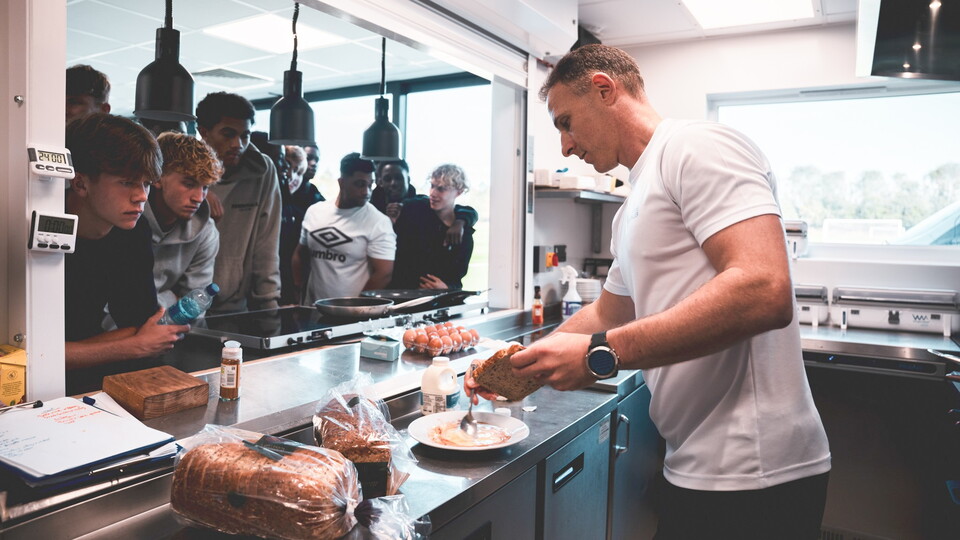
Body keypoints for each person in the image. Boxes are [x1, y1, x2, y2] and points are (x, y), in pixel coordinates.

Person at [467, 44, 831, 540]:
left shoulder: (697, 147)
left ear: (604, 88)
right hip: (695, 462)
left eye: (566, 121)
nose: (566, 147)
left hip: (755, 469)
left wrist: (599, 355)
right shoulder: (632, 204)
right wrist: (517, 369)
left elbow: (763, 288)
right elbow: (609, 311)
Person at [64, 113, 187, 369]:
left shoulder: (133, 230)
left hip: (88, 373)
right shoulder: (34, 229)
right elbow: (23, 354)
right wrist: (130, 347)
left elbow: (141, 325)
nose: (141, 196)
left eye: (147, 184)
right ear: (80, 183)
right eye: (127, 182)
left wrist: (77, 352)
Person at [196, 92, 282, 314]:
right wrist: (199, 192)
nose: (238, 144)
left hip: (234, 308)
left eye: (245, 135)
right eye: (228, 134)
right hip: (182, 307)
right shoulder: (179, 168)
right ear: (203, 132)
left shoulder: (263, 171)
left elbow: (267, 245)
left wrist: (269, 307)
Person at [292, 153, 395, 304]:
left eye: (370, 184)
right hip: (312, 309)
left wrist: (355, 307)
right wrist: (297, 290)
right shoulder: (315, 211)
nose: (367, 192)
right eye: (360, 184)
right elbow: (299, 255)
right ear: (341, 183)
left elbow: (384, 273)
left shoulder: (378, 222)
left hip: (351, 317)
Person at [143, 132, 223, 309]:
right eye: (189, 184)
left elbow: (195, 306)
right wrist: (172, 299)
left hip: (178, 333)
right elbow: (112, 300)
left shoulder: (206, 232)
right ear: (157, 177)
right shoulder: (127, 217)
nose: (199, 198)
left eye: (205, 187)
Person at [390, 164, 476, 290]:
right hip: (403, 295)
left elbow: (456, 280)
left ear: (459, 191)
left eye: (441, 189)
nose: (433, 193)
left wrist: (445, 288)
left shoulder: (464, 235)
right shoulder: (416, 209)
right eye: (432, 186)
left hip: (438, 303)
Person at [372, 159, 477, 247]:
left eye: (399, 178)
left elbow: (461, 210)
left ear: (407, 180)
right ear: (379, 182)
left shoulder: (420, 205)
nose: (393, 183)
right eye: (387, 179)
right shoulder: (371, 208)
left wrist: (459, 222)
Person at [279, 145, 323, 305]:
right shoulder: (270, 197)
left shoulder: (312, 196)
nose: (292, 176)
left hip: (296, 277)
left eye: (298, 171)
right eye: (288, 168)